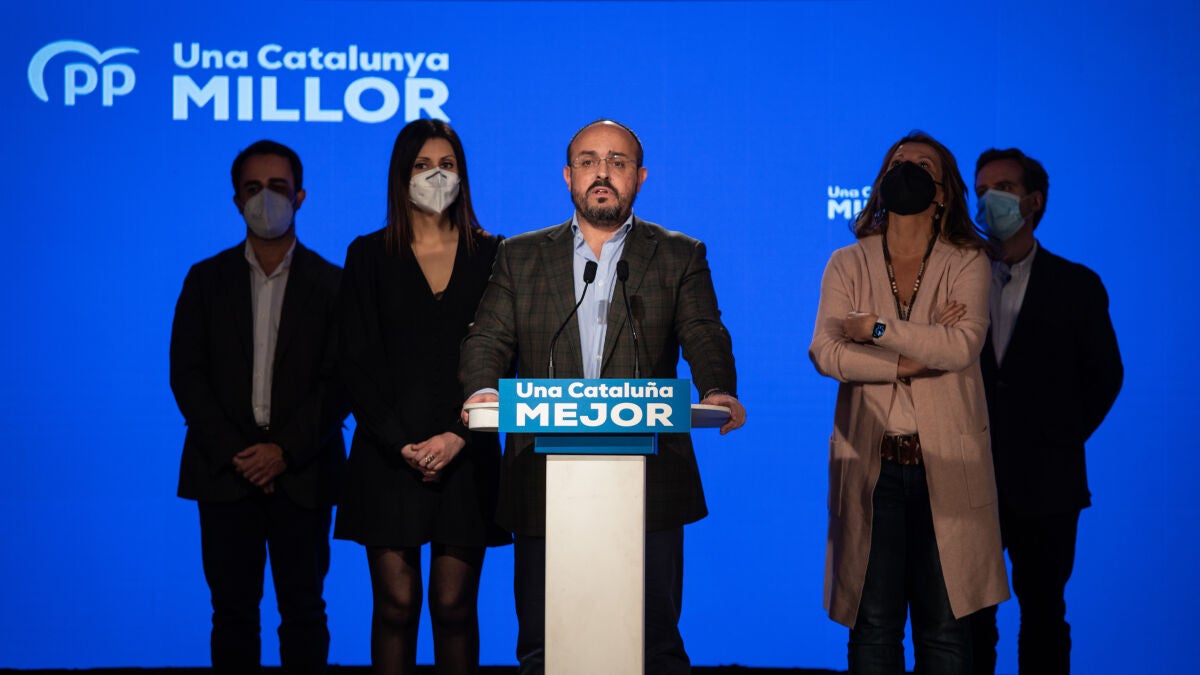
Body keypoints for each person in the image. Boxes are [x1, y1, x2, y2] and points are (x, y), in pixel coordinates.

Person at [459, 119, 746, 674]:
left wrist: (717, 388)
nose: (603, 173)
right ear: (568, 176)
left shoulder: (678, 254)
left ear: (640, 176)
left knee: (654, 647)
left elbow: (704, 332)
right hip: (543, 476)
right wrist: (483, 390)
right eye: (589, 161)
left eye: (618, 162)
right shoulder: (520, 255)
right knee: (545, 648)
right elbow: (487, 338)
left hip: (649, 479)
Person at [809, 131, 1010, 673]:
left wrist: (875, 329)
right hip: (872, 466)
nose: (907, 170)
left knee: (945, 630)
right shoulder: (847, 262)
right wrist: (906, 361)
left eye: (922, 165)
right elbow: (826, 352)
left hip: (946, 465)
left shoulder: (967, 261)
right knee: (872, 629)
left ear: (941, 191)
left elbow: (961, 347)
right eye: (898, 162)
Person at [334, 119, 506, 674]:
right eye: (423, 165)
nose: (436, 175)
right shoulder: (367, 255)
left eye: (447, 165)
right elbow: (353, 362)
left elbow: (508, 356)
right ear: (400, 175)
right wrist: (401, 443)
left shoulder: (494, 254)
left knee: (454, 608)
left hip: (467, 451)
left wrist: (458, 436)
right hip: (388, 454)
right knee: (396, 604)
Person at [170, 140, 346, 674]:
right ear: (235, 200)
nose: (264, 198)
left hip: (304, 473)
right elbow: (187, 376)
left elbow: (340, 382)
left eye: (277, 187)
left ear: (300, 196)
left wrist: (283, 452)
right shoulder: (205, 280)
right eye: (252, 188)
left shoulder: (333, 284)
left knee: (305, 613)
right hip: (225, 473)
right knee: (231, 615)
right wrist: (242, 454)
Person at [968, 149, 1122, 675]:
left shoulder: (1076, 284)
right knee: (971, 623)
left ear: (1033, 201)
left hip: (1048, 484)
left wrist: (1056, 438)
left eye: (1004, 189)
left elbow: (1105, 377)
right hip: (970, 481)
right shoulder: (959, 280)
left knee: (1044, 615)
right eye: (981, 190)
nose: (989, 201)